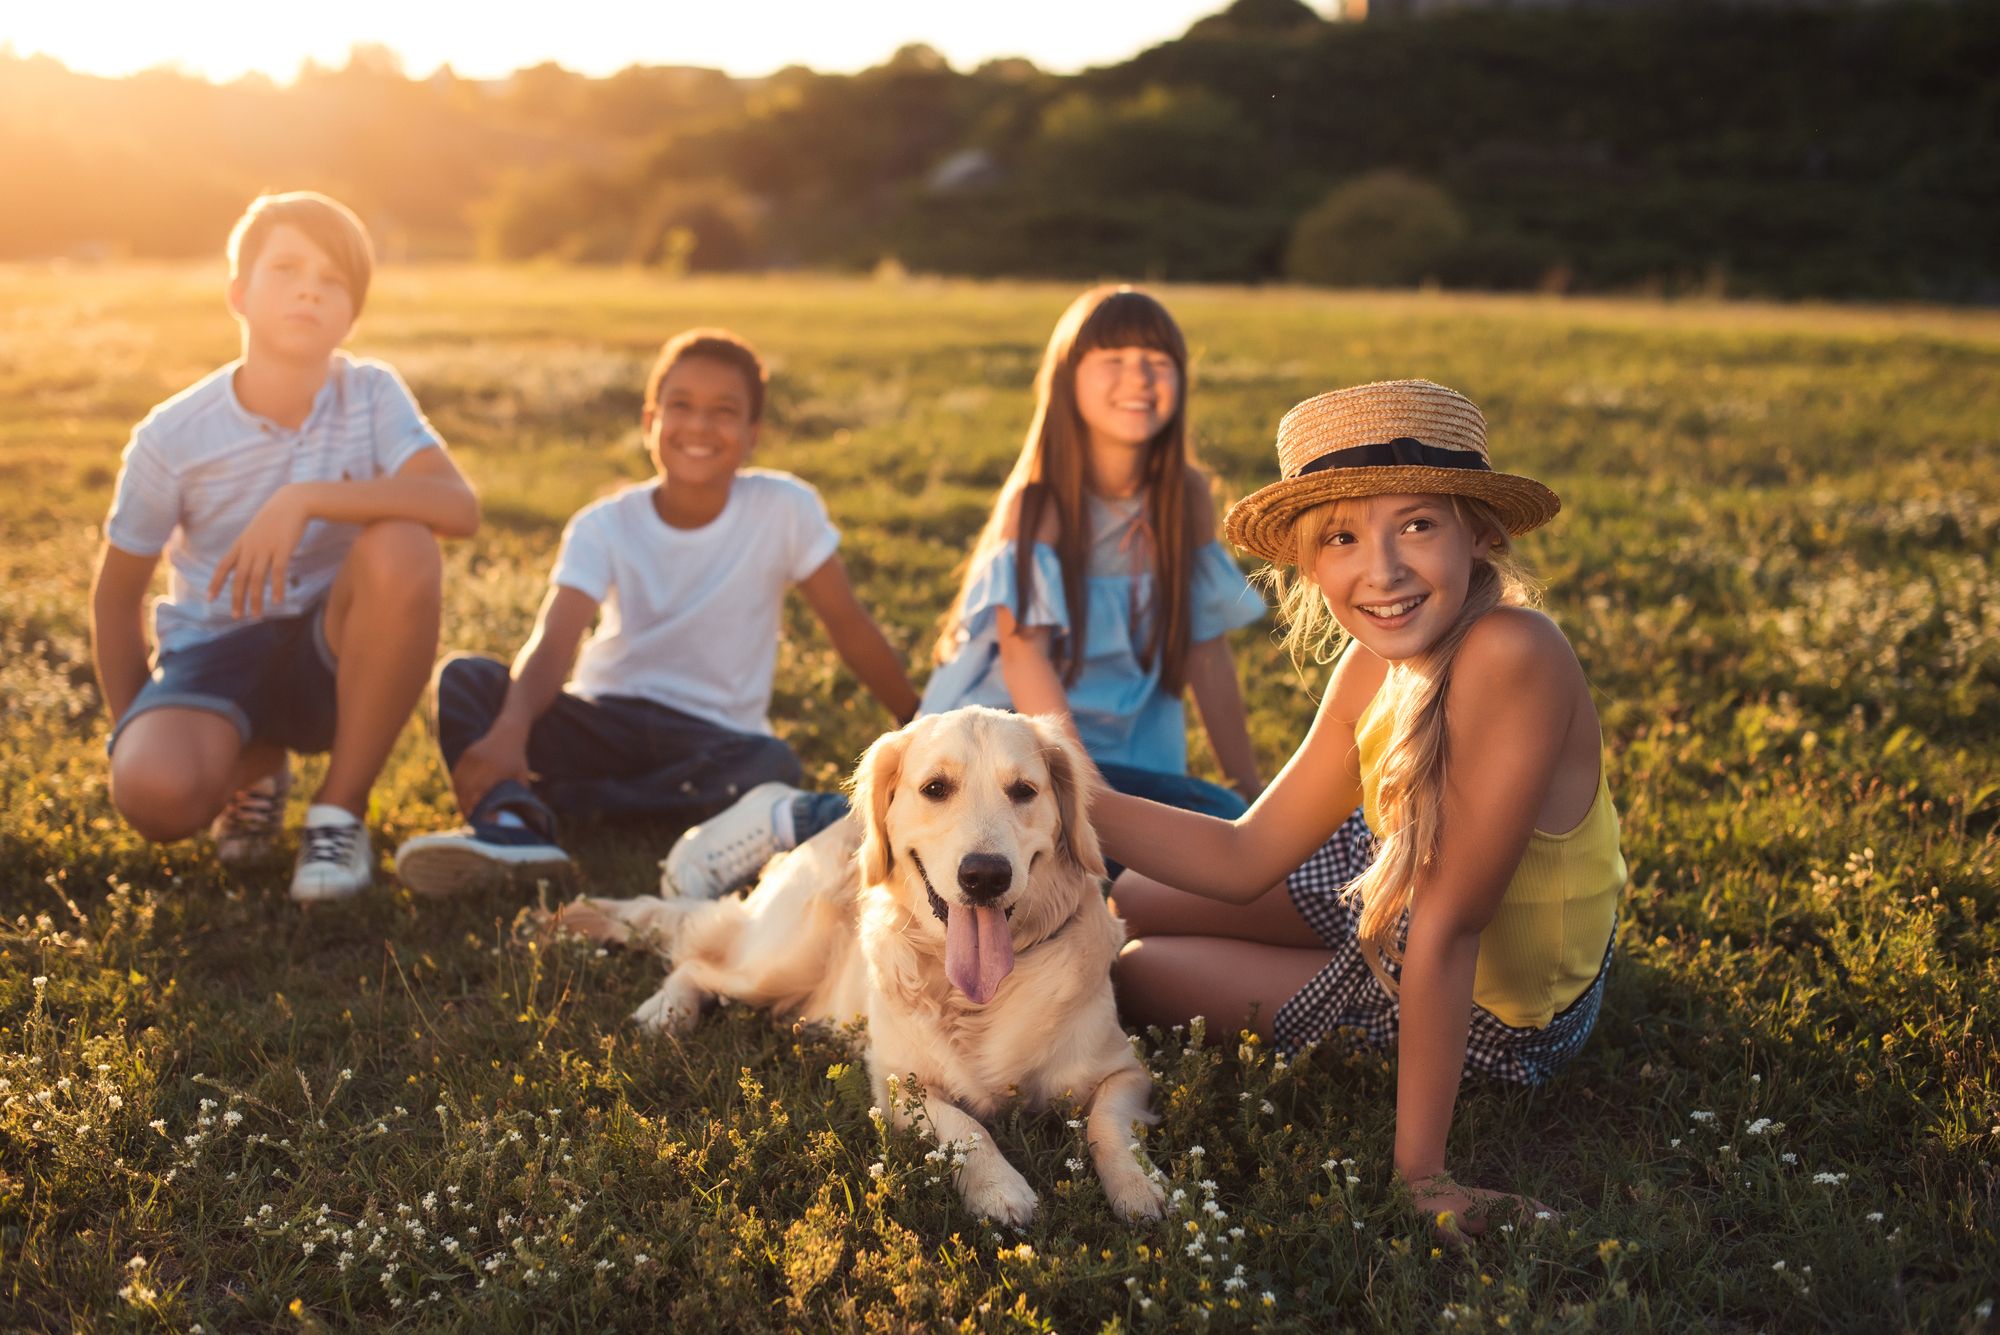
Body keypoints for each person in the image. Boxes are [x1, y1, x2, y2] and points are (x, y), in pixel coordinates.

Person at [1091, 380, 1625, 1236]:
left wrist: (1423, 1176)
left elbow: (1449, 928)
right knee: (1125, 901)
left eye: (1416, 524)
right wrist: (1070, 790)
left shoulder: (1515, 652)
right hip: (1385, 881)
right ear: (1310, 563)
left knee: (1136, 964)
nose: (1381, 570)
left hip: (1493, 1011)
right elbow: (1242, 856)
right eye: (1343, 536)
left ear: (1478, 533)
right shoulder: (1371, 664)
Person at [664, 285, 1264, 898]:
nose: (1137, 377)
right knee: (989, 839)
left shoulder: (1184, 496)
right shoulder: (1042, 502)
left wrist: (1247, 782)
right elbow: (1023, 652)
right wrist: (1082, 785)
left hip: (1131, 748)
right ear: (1067, 380)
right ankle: (795, 817)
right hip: (1019, 743)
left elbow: (1205, 651)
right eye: (1113, 360)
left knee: (1214, 825)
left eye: (1157, 362)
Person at [392, 328, 916, 897]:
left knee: (771, 767)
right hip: (605, 717)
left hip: (713, 738)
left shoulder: (784, 508)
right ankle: (511, 827)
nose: (698, 426)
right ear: (650, 422)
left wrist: (916, 718)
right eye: (681, 406)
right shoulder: (604, 523)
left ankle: (563, 804)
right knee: (467, 680)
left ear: (752, 434)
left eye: (724, 411)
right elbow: (554, 640)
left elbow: (848, 625)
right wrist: (511, 730)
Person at [92, 191, 478, 902]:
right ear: (238, 292)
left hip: (328, 653)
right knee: (153, 790)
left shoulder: (369, 393)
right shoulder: (172, 435)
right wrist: (138, 727)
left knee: (404, 545)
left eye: (333, 280)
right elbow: (116, 600)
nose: (310, 288)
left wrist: (305, 497)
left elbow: (457, 506)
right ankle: (253, 765)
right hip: (211, 654)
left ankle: (338, 812)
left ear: (351, 314)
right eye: (288, 268)